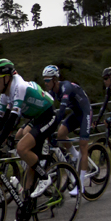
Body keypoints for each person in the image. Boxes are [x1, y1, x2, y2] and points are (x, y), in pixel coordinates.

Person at [0, 60, 56, 221]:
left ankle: (46, 178)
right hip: (35, 118)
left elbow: (12, 119)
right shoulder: (5, 92)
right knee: (29, 170)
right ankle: (24, 213)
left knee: (22, 148)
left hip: (48, 115)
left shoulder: (19, 87)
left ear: (7, 78)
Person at [40, 65, 93, 196]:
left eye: (47, 80)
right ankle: (75, 156)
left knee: (83, 145)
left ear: (55, 80)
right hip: (76, 113)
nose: (45, 83)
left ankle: (80, 185)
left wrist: (51, 128)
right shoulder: (53, 92)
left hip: (86, 113)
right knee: (61, 134)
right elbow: (48, 111)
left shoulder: (65, 88)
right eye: (44, 80)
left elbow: (62, 111)